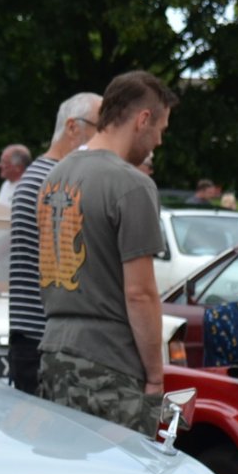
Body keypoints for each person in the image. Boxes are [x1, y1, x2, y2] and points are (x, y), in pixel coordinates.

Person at [37, 70, 178, 434]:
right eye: (160, 129)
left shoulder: (54, 176)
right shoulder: (133, 184)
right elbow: (140, 293)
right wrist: (155, 379)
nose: (159, 142)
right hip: (108, 367)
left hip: (53, 353)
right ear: (142, 119)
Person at [6, 90, 102, 396]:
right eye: (100, 127)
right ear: (73, 127)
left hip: (34, 338)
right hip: (44, 340)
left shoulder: (38, 176)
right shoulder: (56, 182)